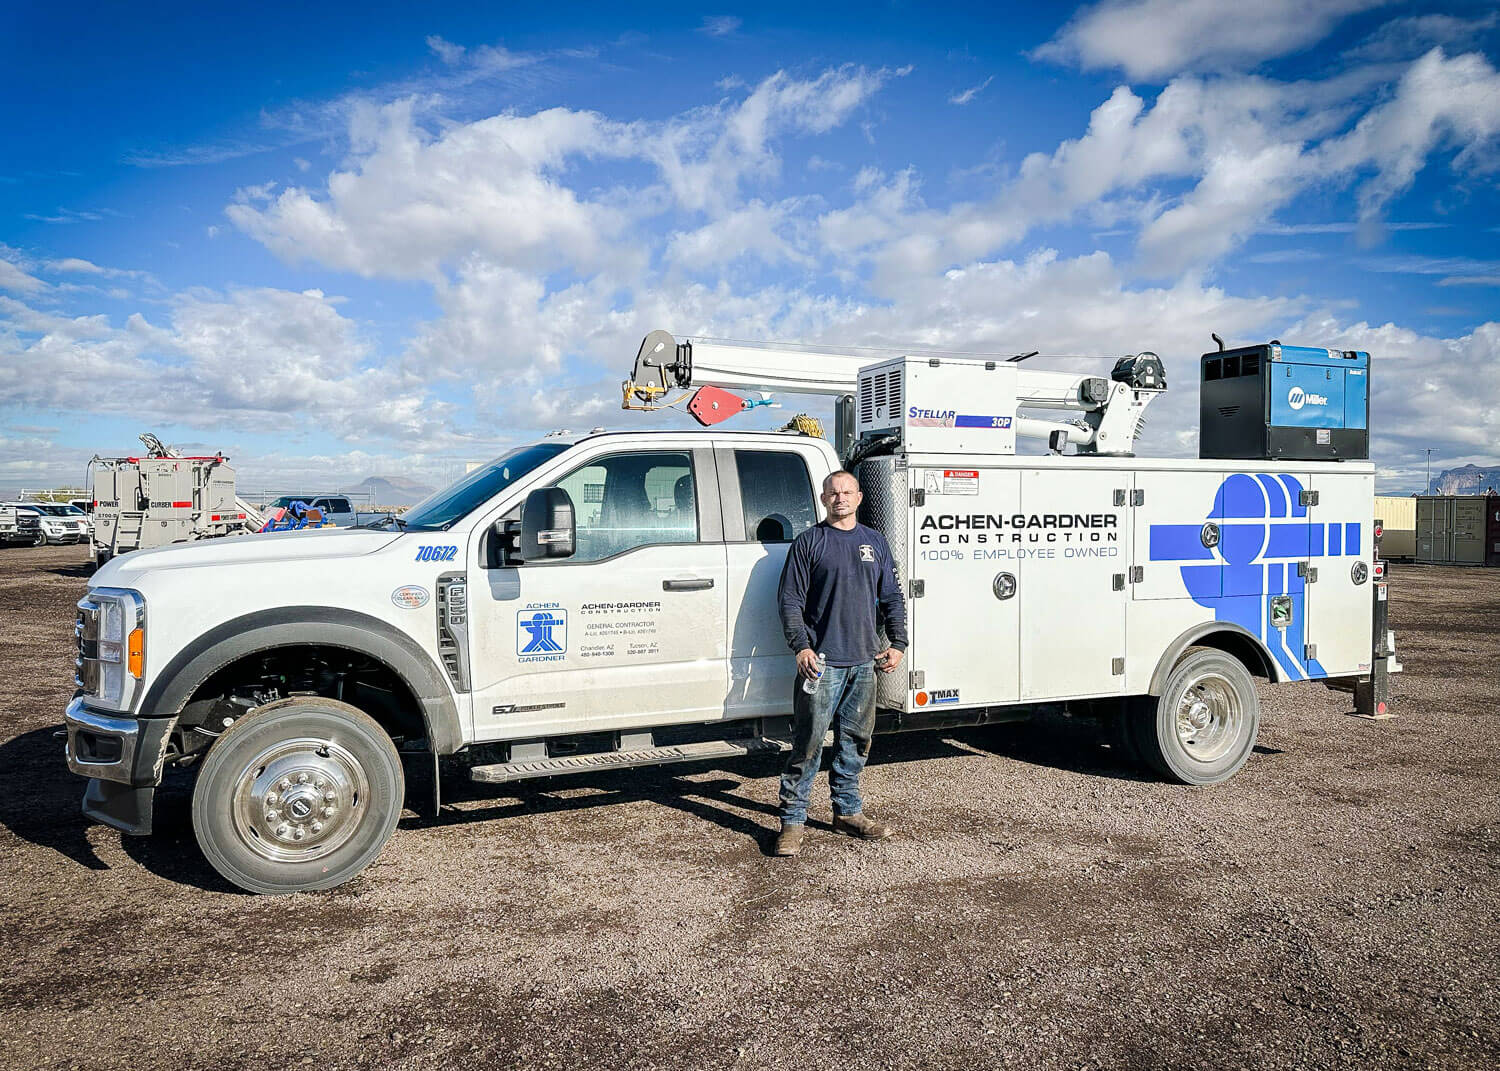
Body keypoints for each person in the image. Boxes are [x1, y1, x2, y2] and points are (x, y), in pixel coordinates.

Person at [773, 469, 908, 857]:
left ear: (860, 497)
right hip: (822, 664)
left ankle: (847, 812)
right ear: (823, 498)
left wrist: (897, 642)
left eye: (847, 492)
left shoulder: (875, 542)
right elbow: (790, 602)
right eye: (833, 493)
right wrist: (801, 647)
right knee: (809, 743)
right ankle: (793, 822)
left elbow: (892, 598)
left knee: (855, 741)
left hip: (864, 662)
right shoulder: (809, 543)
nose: (840, 498)